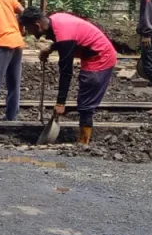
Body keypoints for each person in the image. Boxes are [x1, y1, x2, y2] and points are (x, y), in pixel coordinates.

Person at [19, 8, 118, 145]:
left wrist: (60, 103)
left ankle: (84, 142)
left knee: (86, 103)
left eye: (28, 28)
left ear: (37, 25)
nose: (27, 32)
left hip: (101, 57)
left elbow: (66, 72)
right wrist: (51, 48)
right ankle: (83, 136)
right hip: (91, 55)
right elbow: (65, 38)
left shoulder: (64, 35)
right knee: (84, 97)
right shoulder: (55, 19)